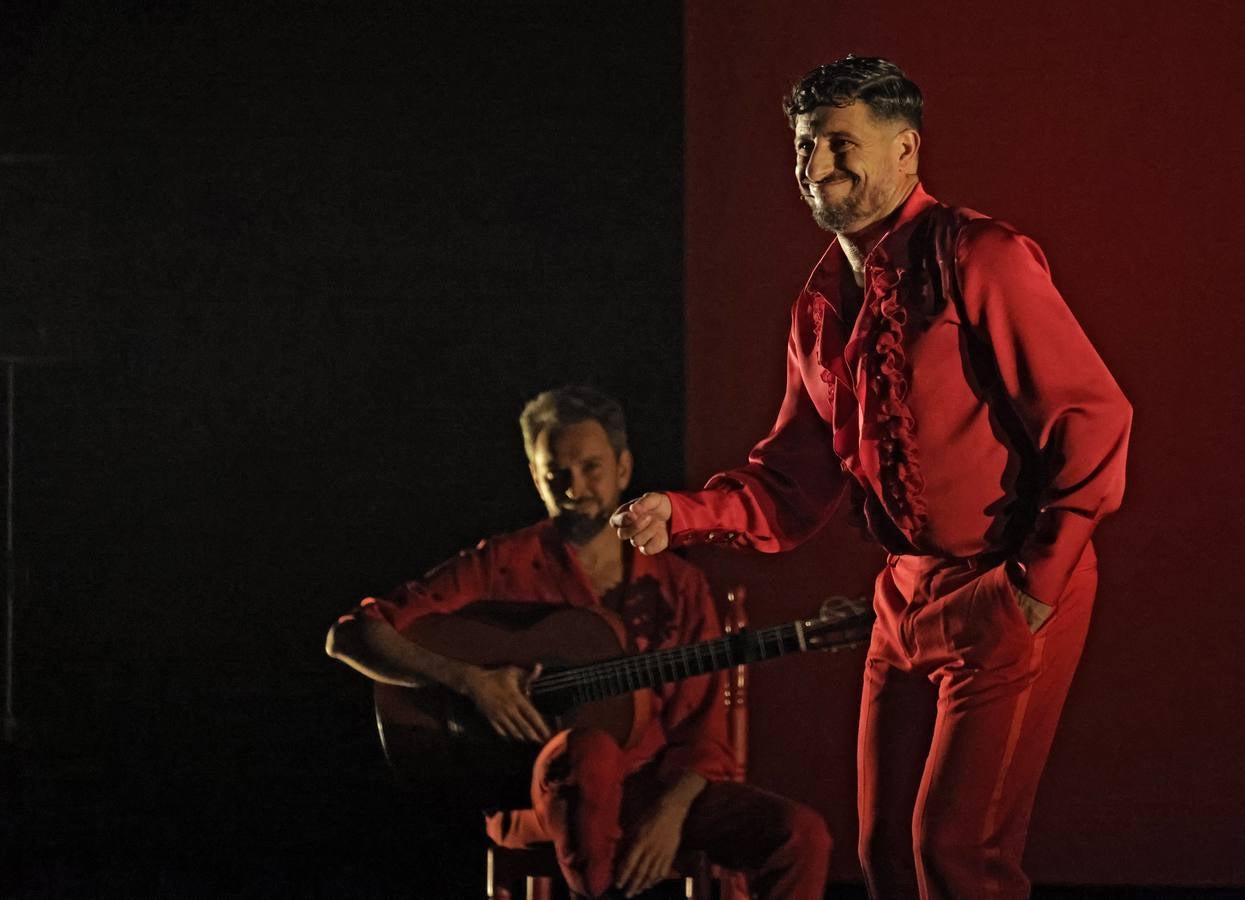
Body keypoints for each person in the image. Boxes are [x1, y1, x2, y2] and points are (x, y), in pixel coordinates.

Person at [612, 56, 1132, 899]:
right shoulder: (818, 302)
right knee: (884, 852)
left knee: (955, 853)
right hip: (901, 597)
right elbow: (790, 482)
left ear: (905, 150)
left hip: (1003, 581)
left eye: (838, 144)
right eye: (803, 146)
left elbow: (1090, 416)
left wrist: (1031, 586)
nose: (815, 167)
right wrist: (680, 512)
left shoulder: (979, 255)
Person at [326, 385, 830, 899]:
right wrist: (472, 681)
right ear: (535, 476)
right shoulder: (502, 563)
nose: (575, 488)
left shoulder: (678, 585)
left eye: (591, 467)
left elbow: (704, 735)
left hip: (658, 790)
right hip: (541, 793)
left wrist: (669, 814)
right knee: (589, 751)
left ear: (623, 468)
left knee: (800, 836)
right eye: (556, 474)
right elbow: (351, 635)